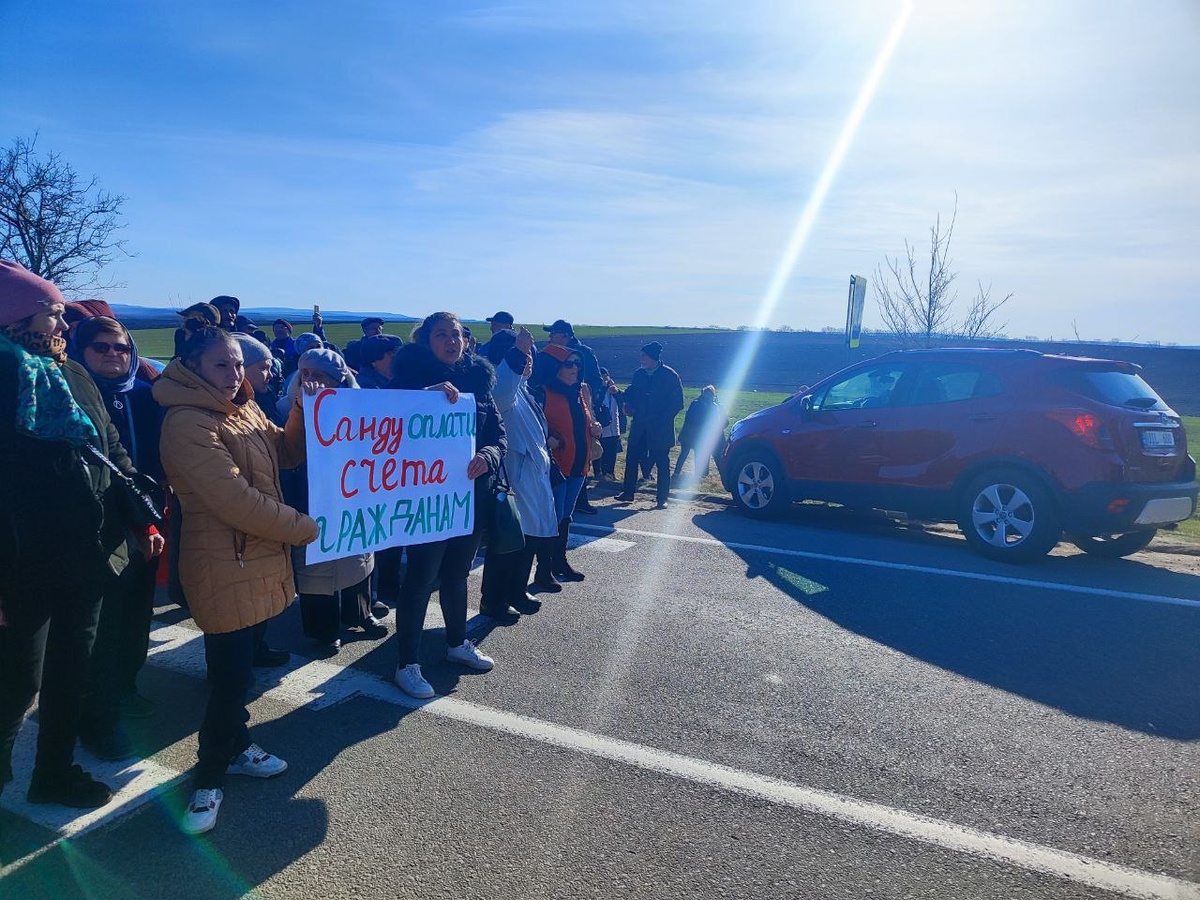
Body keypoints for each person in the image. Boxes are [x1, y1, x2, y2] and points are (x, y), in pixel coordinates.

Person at [0, 261, 158, 809]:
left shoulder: (71, 373)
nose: (62, 324)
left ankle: (54, 773)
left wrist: (140, 517)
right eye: (51, 313)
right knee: (18, 683)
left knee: (73, 672)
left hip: (88, 552)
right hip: (20, 565)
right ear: (15, 316)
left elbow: (110, 448)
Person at [155, 322, 320, 835]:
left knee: (241, 668)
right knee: (231, 681)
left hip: (255, 557)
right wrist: (308, 529)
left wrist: (299, 410)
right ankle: (208, 778)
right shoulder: (187, 423)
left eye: (238, 365)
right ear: (193, 367)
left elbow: (286, 454)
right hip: (224, 562)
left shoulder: (243, 407)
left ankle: (239, 745)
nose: (233, 375)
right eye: (221, 366)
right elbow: (233, 501)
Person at [388, 312, 505, 700]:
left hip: (469, 497)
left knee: (457, 573)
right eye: (442, 335)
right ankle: (407, 663)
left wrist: (488, 456)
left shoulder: (478, 380)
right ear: (426, 341)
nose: (451, 341)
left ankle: (457, 643)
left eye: (456, 334)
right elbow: (385, 428)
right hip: (427, 501)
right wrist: (422, 399)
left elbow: (497, 435)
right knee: (421, 578)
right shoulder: (405, 379)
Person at [68, 315, 167, 760]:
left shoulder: (146, 396)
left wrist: (152, 518)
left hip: (144, 521)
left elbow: (154, 463)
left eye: (121, 348)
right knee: (101, 627)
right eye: (101, 348)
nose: (113, 355)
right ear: (80, 352)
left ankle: (127, 686)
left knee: (135, 614)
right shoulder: (68, 396)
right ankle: (96, 714)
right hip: (95, 529)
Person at [277, 349, 382, 655]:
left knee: (357, 559)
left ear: (337, 380)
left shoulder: (359, 407)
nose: (310, 381)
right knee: (317, 568)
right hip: (310, 497)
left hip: (352, 496)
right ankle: (323, 631)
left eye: (318, 375)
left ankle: (359, 614)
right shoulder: (286, 408)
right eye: (305, 374)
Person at [480, 326, 560, 616]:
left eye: (530, 358)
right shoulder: (501, 390)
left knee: (528, 540)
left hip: (533, 477)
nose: (529, 363)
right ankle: (493, 600)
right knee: (508, 543)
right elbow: (502, 392)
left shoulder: (525, 391)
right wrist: (518, 353)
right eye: (523, 358)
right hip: (515, 478)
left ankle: (515, 590)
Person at [534, 343, 599, 583]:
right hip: (556, 467)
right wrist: (547, 438)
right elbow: (532, 429)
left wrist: (595, 428)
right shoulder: (541, 392)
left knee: (566, 517)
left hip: (578, 464)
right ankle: (544, 570)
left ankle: (559, 562)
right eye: (568, 364)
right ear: (554, 367)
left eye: (577, 364)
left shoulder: (581, 391)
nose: (575, 368)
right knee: (554, 518)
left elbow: (586, 420)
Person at [617, 341, 684, 509]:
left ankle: (662, 498)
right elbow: (631, 394)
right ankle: (628, 492)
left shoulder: (670, 376)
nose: (641, 358)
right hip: (640, 427)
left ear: (653, 357)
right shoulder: (639, 374)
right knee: (631, 459)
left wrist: (661, 419)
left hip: (660, 429)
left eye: (643, 355)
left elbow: (677, 403)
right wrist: (619, 394)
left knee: (662, 463)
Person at [673, 385, 729, 482]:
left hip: (688, 434)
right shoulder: (714, 406)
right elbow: (723, 422)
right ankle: (701, 476)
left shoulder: (696, 403)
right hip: (697, 436)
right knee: (700, 454)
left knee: (684, 454)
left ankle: (677, 474)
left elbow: (689, 418)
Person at [594, 367, 624, 481]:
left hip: (613, 427)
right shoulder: (597, 390)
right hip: (600, 426)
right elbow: (596, 403)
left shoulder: (614, 390)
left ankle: (610, 473)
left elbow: (622, 404)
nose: (605, 379)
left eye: (606, 376)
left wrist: (615, 391)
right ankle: (598, 473)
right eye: (602, 376)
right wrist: (603, 388)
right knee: (599, 450)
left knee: (611, 452)